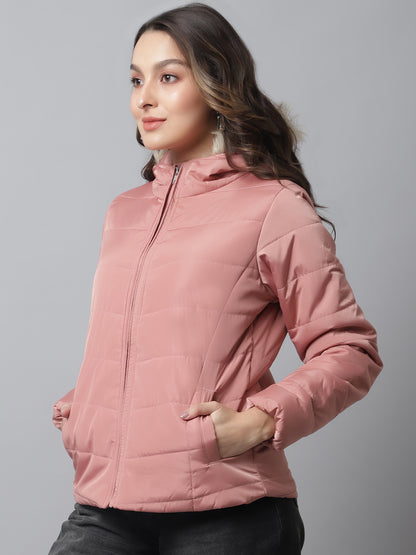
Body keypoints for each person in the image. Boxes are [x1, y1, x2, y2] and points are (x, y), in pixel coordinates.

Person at [48, 3, 383, 554]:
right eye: (136, 79)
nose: (144, 98)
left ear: (215, 85)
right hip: (105, 505)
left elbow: (351, 350)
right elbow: (142, 346)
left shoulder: (274, 206)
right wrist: (85, 409)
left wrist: (259, 422)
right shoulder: (124, 212)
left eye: (168, 77)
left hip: (228, 510)